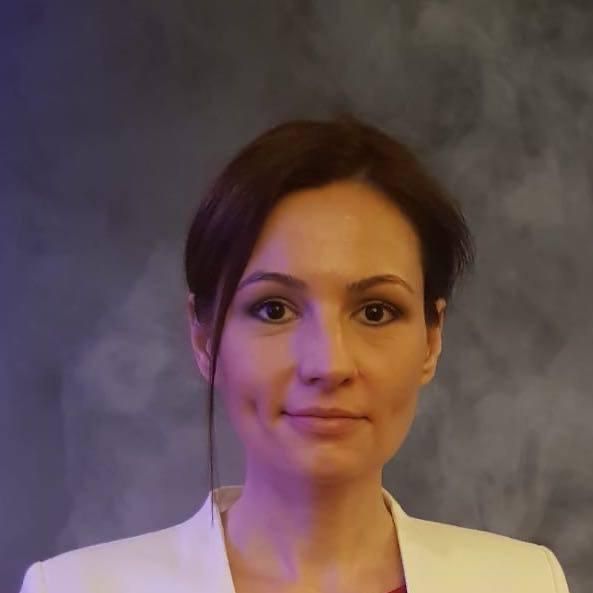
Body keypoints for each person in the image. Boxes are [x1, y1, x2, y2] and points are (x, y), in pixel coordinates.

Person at [19, 114, 571, 593]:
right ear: (205, 338)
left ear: (431, 339)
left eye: (375, 311)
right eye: (274, 309)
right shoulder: (70, 588)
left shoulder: (526, 582)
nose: (328, 365)